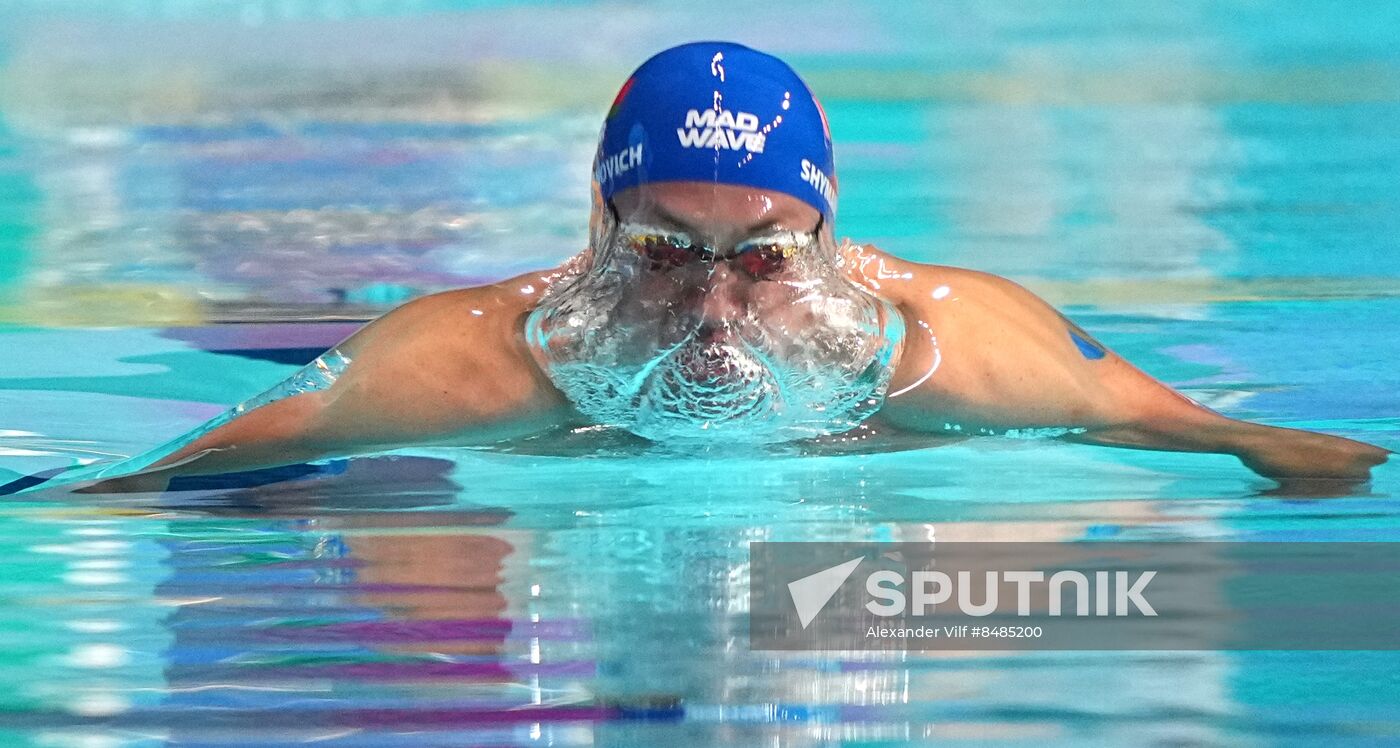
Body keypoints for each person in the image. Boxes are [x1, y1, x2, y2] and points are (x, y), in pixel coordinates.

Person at [31, 41, 1392, 494]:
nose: (715, 296)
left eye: (761, 254)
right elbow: (275, 434)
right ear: (599, 227)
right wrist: (88, 501)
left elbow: (1169, 418)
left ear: (828, 227)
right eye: (666, 252)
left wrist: (1275, 450)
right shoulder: (493, 360)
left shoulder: (937, 346)